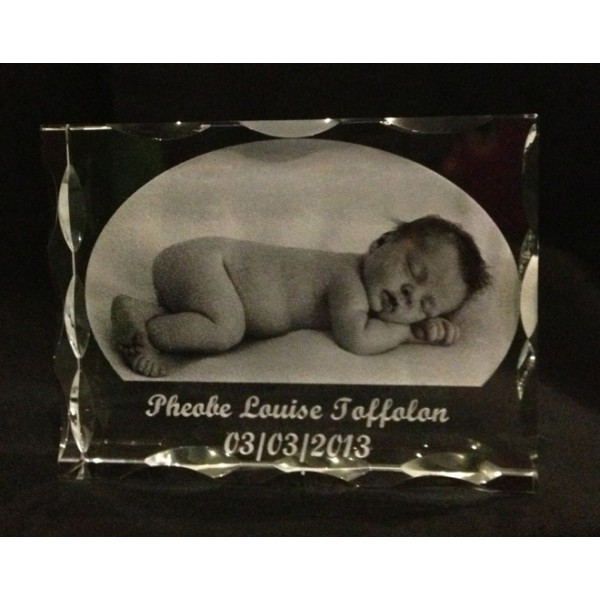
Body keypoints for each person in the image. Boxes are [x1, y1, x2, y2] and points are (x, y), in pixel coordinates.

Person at [111, 215, 490, 377]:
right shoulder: (347, 278)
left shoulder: (362, 287)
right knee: (226, 329)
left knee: (221, 319)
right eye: (413, 271)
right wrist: (407, 332)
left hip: (200, 275)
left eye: (425, 305)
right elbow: (356, 338)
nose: (410, 294)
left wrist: (425, 327)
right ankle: (150, 329)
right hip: (207, 263)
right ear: (380, 243)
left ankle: (152, 311)